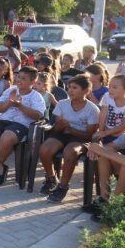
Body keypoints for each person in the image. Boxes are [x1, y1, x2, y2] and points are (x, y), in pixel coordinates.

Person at [0, 66, 46, 186]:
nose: (19, 80)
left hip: (22, 124)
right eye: (19, 76)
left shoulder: (36, 96)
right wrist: (9, 102)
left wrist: (20, 106)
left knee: (7, 137)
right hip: (3, 120)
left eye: (23, 78)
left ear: (32, 82)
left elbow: (38, 116)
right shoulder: (10, 90)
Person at [38, 75, 100, 203]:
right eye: (69, 87)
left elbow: (90, 135)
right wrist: (59, 126)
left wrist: (72, 130)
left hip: (81, 138)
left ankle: (63, 186)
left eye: (74, 88)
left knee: (70, 151)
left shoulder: (92, 109)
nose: (70, 90)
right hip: (63, 134)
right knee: (45, 148)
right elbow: (54, 130)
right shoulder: (62, 104)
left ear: (85, 91)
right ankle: (51, 178)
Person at [87, 109, 125, 220]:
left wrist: (101, 150)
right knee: (106, 156)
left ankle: (115, 205)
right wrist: (100, 150)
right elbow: (109, 147)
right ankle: (104, 198)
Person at [93, 75, 125, 145]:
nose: (110, 89)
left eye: (114, 87)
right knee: (94, 138)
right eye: (109, 86)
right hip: (107, 133)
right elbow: (103, 114)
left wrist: (105, 133)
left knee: (107, 149)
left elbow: (124, 127)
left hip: (122, 136)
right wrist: (101, 132)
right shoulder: (107, 96)